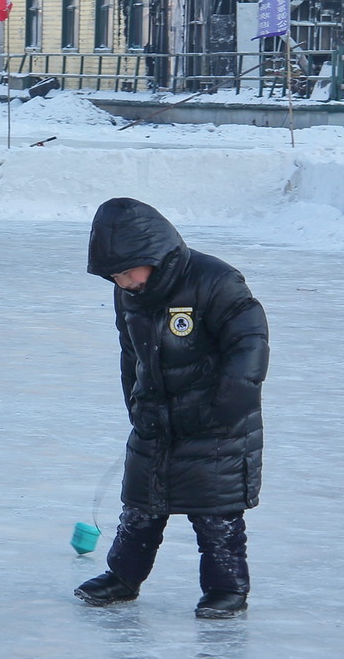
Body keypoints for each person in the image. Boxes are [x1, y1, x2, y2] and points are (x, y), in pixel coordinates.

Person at [76, 198, 269, 619]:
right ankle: (123, 578)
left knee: (215, 516)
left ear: (153, 257)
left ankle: (226, 590)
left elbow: (249, 346)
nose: (123, 282)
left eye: (128, 272)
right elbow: (132, 354)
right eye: (114, 276)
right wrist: (136, 401)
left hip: (216, 425)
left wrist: (224, 410)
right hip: (156, 419)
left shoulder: (216, 281)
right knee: (141, 507)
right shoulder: (128, 294)